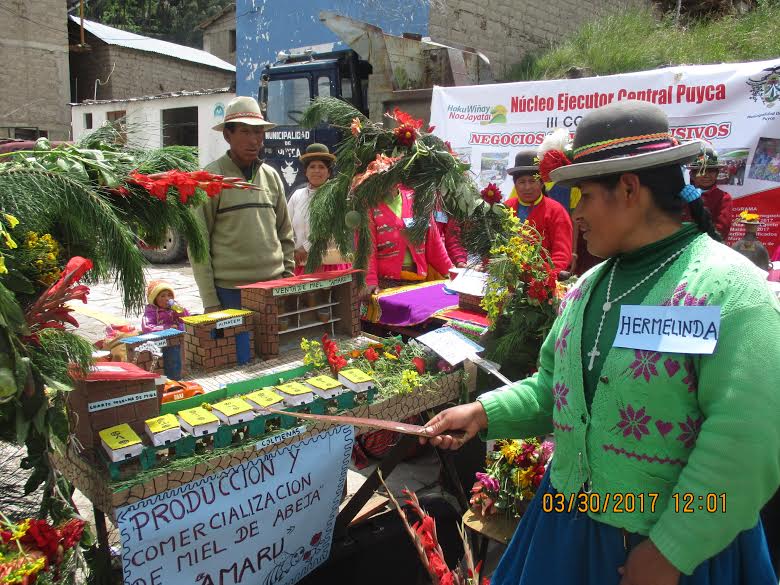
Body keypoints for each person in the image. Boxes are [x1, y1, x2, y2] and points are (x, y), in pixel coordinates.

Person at [422, 101, 780, 585]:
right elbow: (555, 388)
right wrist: (483, 412)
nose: (577, 213)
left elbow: (747, 440)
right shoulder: (591, 287)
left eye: (585, 196)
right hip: (568, 530)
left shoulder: (729, 290)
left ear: (629, 189)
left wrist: (671, 551)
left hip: (679, 555)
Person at [190, 96, 295, 311]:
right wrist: (210, 301)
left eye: (258, 132)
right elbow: (198, 245)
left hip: (274, 287)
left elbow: (285, 233)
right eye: (245, 131)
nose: (254, 140)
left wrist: (288, 278)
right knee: (238, 346)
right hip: (230, 292)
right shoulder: (210, 179)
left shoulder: (271, 176)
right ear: (228, 135)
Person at [363, 184, 453, 296]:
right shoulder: (369, 206)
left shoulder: (417, 200)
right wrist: (370, 281)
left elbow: (434, 244)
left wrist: (452, 273)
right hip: (385, 286)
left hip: (418, 284)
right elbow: (367, 249)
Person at [504, 151, 573, 274]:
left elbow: (561, 253)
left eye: (532, 181)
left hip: (541, 281)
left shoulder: (556, 211)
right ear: (515, 184)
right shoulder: (505, 208)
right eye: (522, 182)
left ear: (541, 183)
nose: (527, 187)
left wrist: (545, 273)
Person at [287, 143, 351, 274]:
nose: (316, 171)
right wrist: (292, 249)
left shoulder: (337, 195)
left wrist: (305, 248)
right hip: (301, 264)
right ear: (305, 172)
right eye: (312, 167)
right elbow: (286, 226)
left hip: (331, 265)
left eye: (321, 167)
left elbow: (329, 229)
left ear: (329, 173)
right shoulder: (297, 196)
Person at [685, 147, 734, 240]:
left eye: (711, 171)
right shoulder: (683, 197)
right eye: (701, 171)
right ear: (692, 175)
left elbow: (721, 231)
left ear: (717, 174)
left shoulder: (724, 198)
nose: (706, 175)